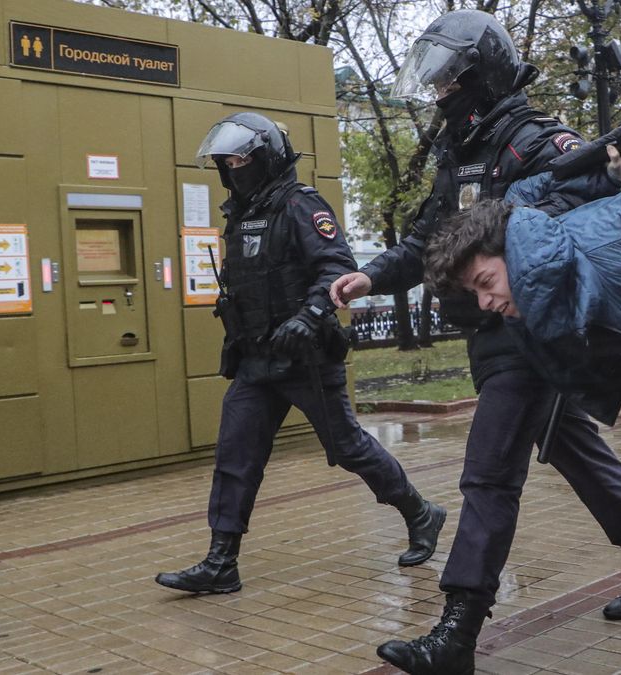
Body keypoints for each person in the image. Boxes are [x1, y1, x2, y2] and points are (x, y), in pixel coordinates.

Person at [329, 13, 621, 674]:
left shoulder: (538, 139)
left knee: (489, 470)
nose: (439, 93)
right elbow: (431, 241)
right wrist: (372, 275)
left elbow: (586, 212)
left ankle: (457, 630)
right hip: (487, 328)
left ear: (480, 75)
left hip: (531, 328)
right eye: (434, 83)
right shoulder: (459, 152)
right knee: (570, 445)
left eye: (447, 81)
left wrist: (520, 232)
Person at [423, 124, 621, 645]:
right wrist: (603, 158)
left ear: (513, 254)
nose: (486, 303)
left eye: (485, 283)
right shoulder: (531, 275)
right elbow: (533, 187)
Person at [154, 112, 446, 595]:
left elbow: (336, 266)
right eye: (228, 163)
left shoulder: (300, 204)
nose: (234, 170)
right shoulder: (242, 212)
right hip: (255, 359)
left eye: (241, 160)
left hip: (305, 356)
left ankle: (420, 513)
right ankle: (221, 562)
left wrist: (309, 315)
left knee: (348, 447)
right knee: (235, 455)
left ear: (267, 158)